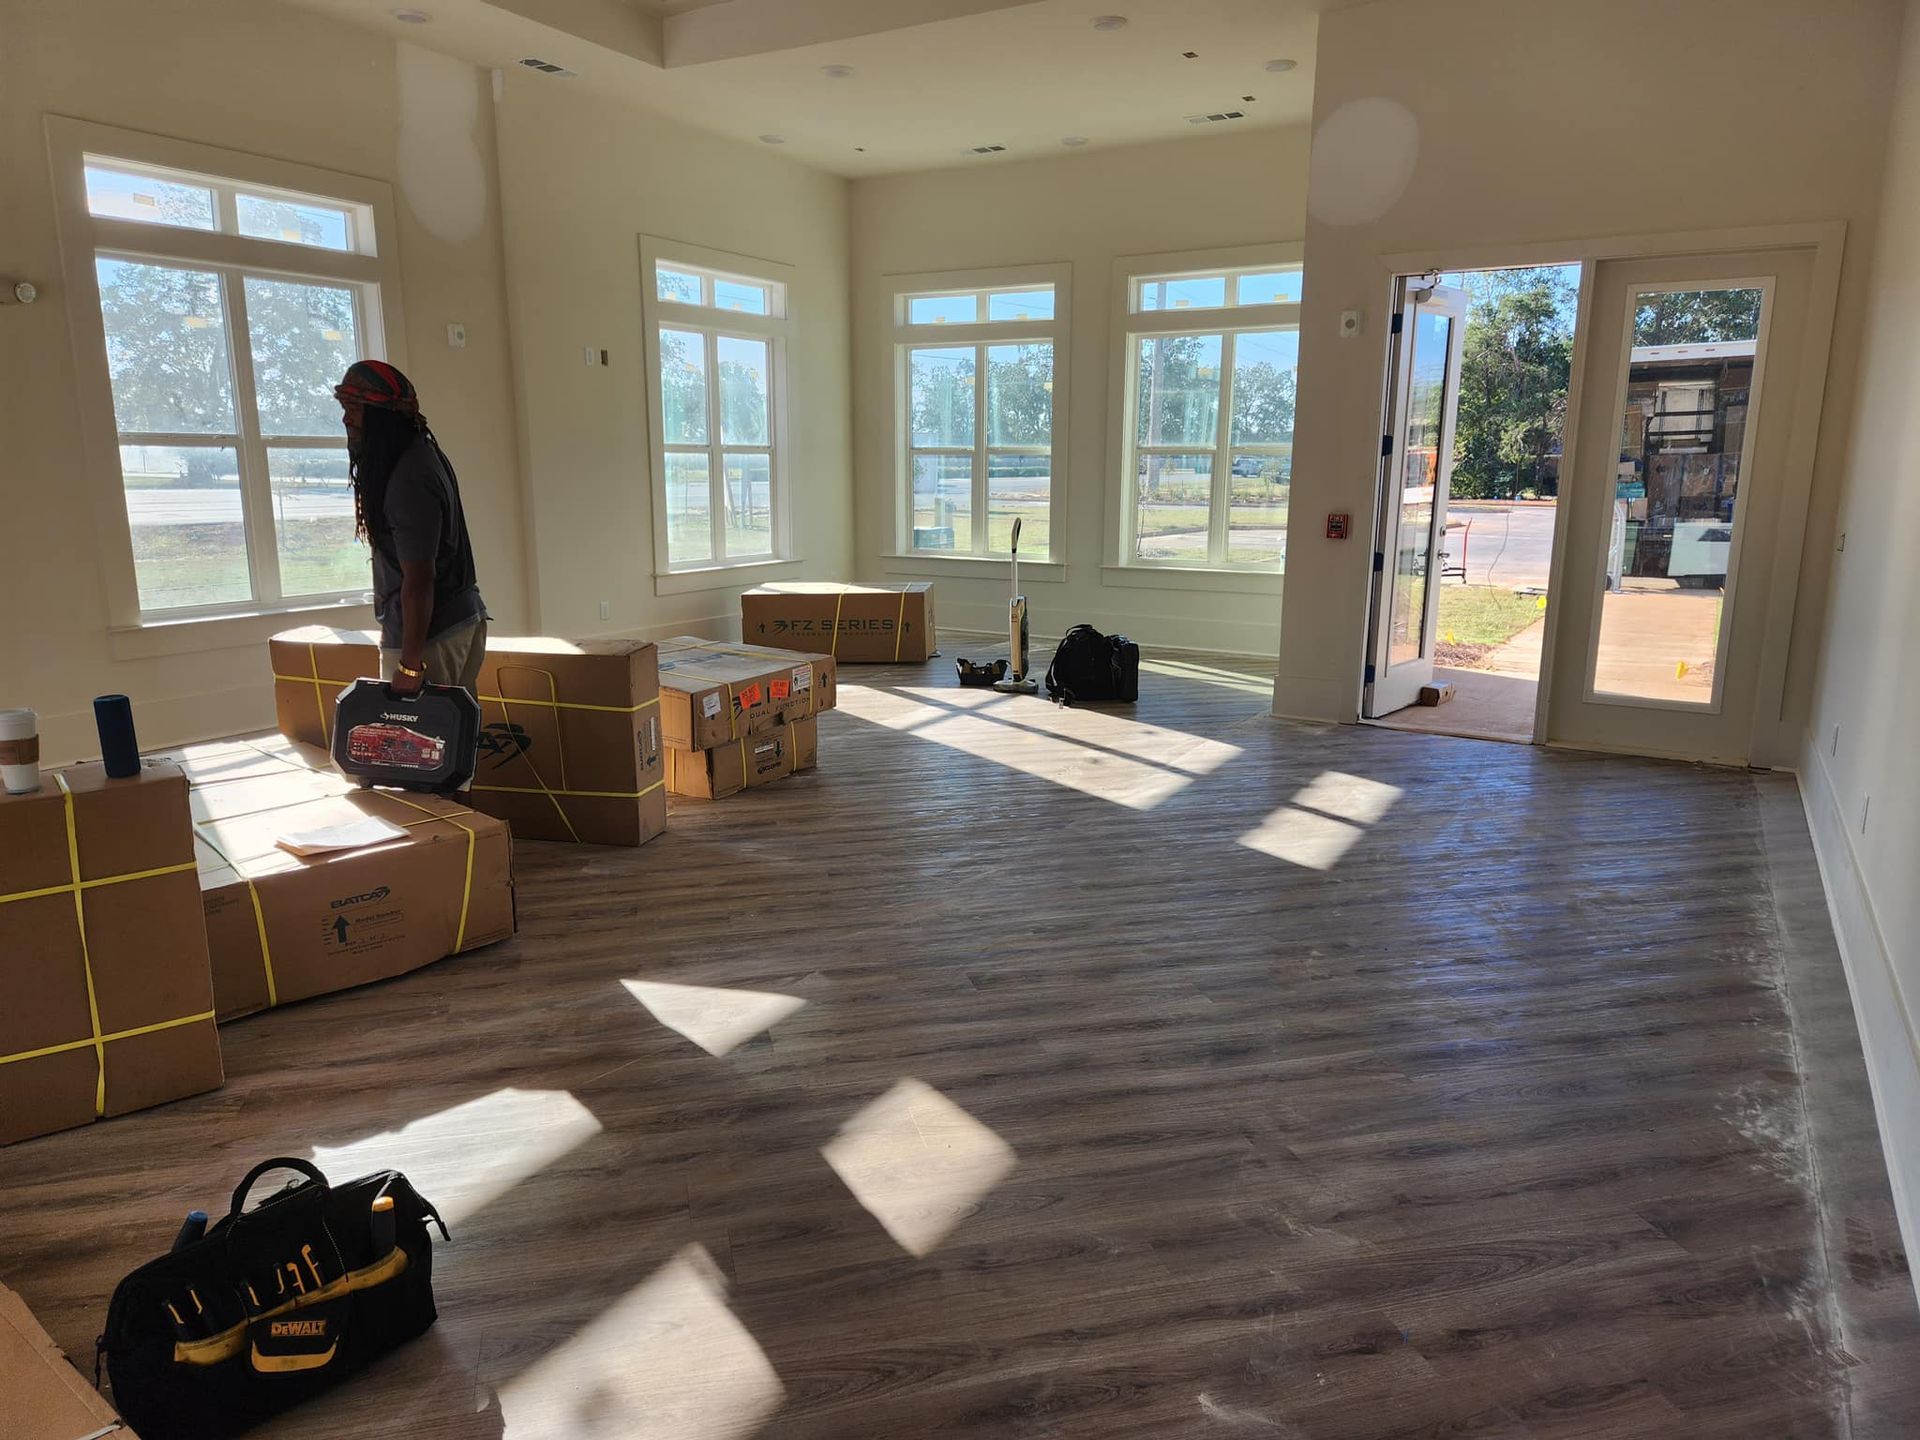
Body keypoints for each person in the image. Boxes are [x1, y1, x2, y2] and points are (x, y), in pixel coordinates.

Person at [335, 360, 487, 699]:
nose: (346, 420)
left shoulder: (409, 477)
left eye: (354, 409)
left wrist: (409, 664)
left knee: (411, 745)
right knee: (453, 741)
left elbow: (419, 579)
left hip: (432, 637)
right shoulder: (422, 454)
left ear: (382, 416)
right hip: (457, 621)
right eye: (344, 408)